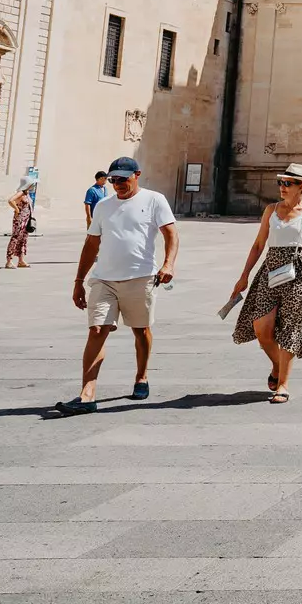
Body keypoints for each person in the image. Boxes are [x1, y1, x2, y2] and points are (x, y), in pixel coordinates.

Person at [57, 158, 177, 414]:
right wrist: (78, 281)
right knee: (97, 330)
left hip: (141, 277)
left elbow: (171, 234)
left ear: (137, 175)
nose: (118, 185)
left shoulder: (154, 200)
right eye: (113, 180)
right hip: (104, 279)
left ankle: (141, 376)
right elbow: (91, 244)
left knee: (140, 330)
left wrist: (168, 264)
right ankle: (87, 394)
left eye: (123, 179)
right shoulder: (103, 206)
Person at [229, 163, 302, 403]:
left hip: (299, 273)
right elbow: (258, 245)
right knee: (261, 328)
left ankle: (283, 384)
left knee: (291, 328)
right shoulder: (270, 210)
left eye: (288, 183)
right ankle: (277, 365)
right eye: (281, 182)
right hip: (270, 269)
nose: (282, 187)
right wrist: (244, 276)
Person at [4, 184, 32, 269]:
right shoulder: (20, 193)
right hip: (19, 220)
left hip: (26, 220)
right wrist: (16, 209)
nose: (32, 186)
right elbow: (10, 200)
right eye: (31, 184)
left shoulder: (27, 194)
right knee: (15, 238)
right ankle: (9, 261)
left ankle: (21, 260)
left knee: (23, 239)